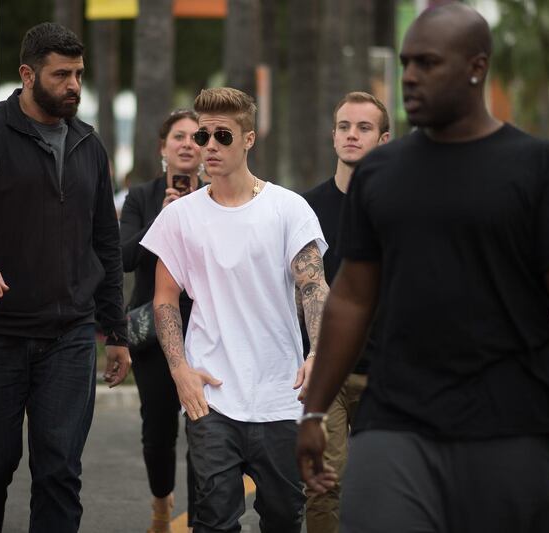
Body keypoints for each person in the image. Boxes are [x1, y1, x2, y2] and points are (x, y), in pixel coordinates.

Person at [296, 3, 549, 533]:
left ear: (476, 67)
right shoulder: (380, 174)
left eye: (427, 63)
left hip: (510, 425)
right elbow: (351, 298)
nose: (411, 77)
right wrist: (313, 410)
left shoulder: (542, 169)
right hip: (395, 419)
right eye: (406, 63)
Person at [0, 22, 129, 533]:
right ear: (27, 74)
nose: (73, 85)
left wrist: (116, 331)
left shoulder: (89, 144)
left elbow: (105, 245)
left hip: (68, 337)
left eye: (79, 74)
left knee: (60, 473)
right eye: (61, 74)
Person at [141, 87, 332, 533]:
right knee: (213, 522)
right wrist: (179, 371)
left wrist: (318, 351)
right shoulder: (179, 217)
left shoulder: (288, 209)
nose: (208, 146)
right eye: (203, 135)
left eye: (222, 137)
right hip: (212, 399)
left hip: (280, 398)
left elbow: (313, 285)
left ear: (249, 139)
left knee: (284, 518)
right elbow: (165, 299)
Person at [301, 91, 389, 533]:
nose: (352, 135)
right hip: (327, 372)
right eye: (344, 127)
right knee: (322, 483)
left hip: (388, 372)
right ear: (333, 135)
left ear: (384, 139)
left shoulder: (400, 208)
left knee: (384, 489)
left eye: (364, 128)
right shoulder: (304, 209)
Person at [119, 109, 204, 533]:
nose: (188, 143)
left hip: (205, 331)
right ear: (163, 148)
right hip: (152, 332)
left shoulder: (217, 197)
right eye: (179, 136)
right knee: (158, 429)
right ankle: (160, 507)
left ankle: (199, 520)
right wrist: (163, 218)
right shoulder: (142, 197)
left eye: (196, 137)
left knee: (203, 429)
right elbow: (124, 257)